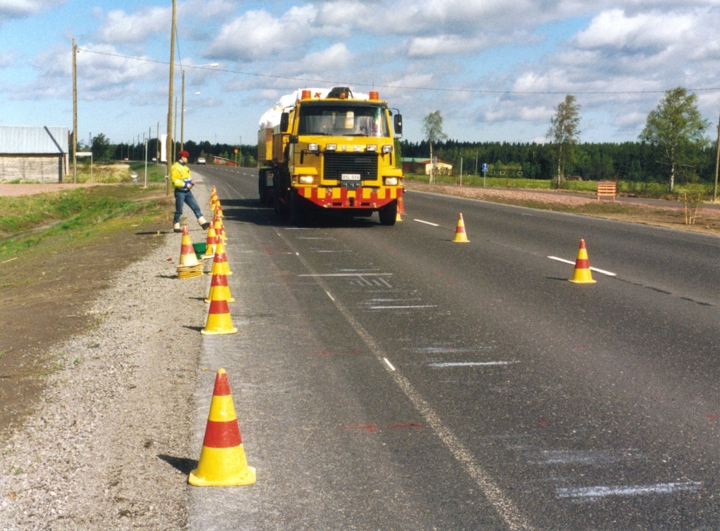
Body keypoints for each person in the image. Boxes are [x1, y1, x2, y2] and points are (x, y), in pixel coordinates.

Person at [171, 150, 210, 233]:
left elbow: (187, 178)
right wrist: (185, 185)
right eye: (186, 157)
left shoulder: (185, 167)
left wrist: (191, 182)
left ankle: (203, 223)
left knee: (195, 207)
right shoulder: (176, 167)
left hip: (187, 191)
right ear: (182, 157)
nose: (187, 159)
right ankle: (176, 226)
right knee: (179, 210)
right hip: (180, 192)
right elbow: (175, 181)